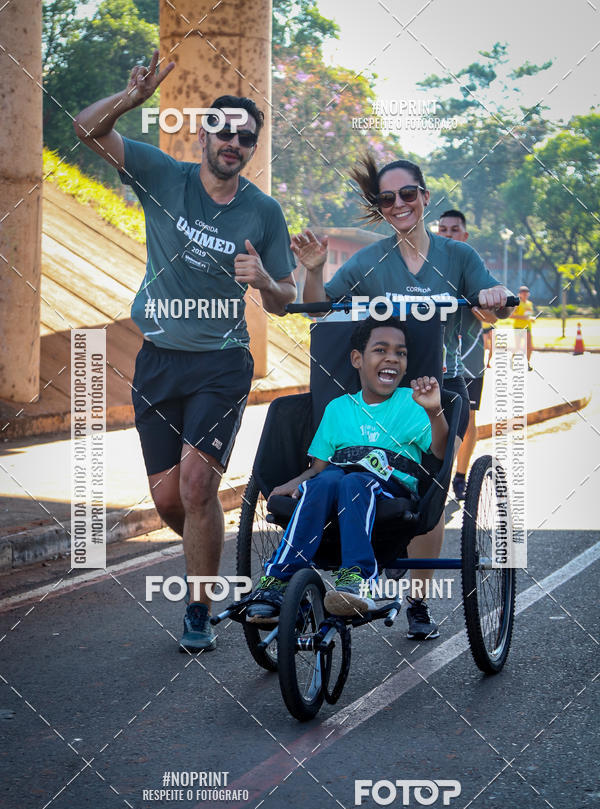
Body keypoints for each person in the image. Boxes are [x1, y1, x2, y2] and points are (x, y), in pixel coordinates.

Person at [73, 51, 297, 652]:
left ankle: (198, 608)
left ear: (251, 149)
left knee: (198, 487)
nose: (233, 143)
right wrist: (130, 100)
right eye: (224, 131)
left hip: (221, 362)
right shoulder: (162, 175)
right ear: (204, 134)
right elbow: (85, 130)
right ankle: (208, 554)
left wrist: (265, 281)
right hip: (158, 360)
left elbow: (285, 299)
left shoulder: (263, 212)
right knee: (170, 499)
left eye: (245, 138)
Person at [290, 152, 510, 636]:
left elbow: (494, 304)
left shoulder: (459, 257)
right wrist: (314, 270)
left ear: (424, 197)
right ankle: (355, 562)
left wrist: (495, 297)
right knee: (359, 474)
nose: (398, 204)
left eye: (407, 194)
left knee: (429, 492)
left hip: (438, 389)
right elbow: (321, 310)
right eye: (387, 199)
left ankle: (418, 600)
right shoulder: (371, 260)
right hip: (384, 389)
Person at [246, 317, 449, 637]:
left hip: (389, 486)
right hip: (338, 478)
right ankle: (277, 580)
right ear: (357, 359)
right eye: (380, 350)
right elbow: (318, 467)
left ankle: (356, 578)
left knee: (355, 482)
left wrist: (434, 411)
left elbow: (440, 452)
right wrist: (293, 483)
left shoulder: (412, 403)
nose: (392, 358)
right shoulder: (338, 408)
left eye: (400, 353)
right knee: (322, 483)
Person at [438, 209, 497, 502]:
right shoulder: (429, 267)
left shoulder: (473, 268)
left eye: (454, 230)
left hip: (469, 357)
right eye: (443, 229)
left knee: (469, 418)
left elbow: (494, 316)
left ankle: (461, 476)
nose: (448, 234)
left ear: (465, 234)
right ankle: (439, 476)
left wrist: (479, 307)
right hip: (437, 357)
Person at [512, 285, 534, 370]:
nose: (525, 294)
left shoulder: (529, 303)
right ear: (519, 294)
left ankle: (527, 364)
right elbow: (511, 316)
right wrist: (523, 317)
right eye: (523, 293)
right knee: (518, 347)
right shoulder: (517, 303)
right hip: (518, 327)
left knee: (529, 347)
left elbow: (529, 315)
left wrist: (531, 319)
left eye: (526, 293)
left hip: (528, 327)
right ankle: (512, 360)